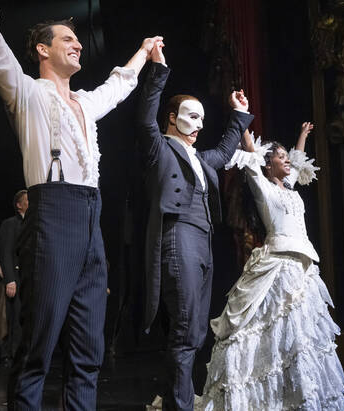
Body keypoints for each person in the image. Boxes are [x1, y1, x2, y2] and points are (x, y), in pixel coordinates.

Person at [0, 0, 161, 408]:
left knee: (88, 348)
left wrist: (142, 52)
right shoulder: (27, 94)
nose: (78, 43)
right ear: (44, 50)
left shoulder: (83, 104)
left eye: (78, 40)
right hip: (51, 216)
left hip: (90, 217)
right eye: (68, 39)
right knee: (39, 342)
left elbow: (118, 86)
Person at [198, 123, 344, 409]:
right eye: (279, 156)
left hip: (303, 267)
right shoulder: (263, 188)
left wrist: (302, 135)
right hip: (277, 265)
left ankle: (298, 398)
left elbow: (298, 160)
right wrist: (242, 122)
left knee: (300, 338)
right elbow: (253, 156)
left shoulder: (289, 186)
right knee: (271, 331)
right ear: (268, 165)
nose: (286, 159)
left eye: (285, 155)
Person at [137, 44, 254, 411]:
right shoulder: (161, 147)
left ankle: (172, 399)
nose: (199, 125)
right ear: (172, 118)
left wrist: (239, 115)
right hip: (178, 236)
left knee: (195, 330)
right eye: (191, 117)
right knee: (187, 327)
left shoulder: (201, 159)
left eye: (202, 118)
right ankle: (181, 405)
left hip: (202, 239)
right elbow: (144, 120)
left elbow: (222, 154)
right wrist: (157, 71)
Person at [0, 189, 27, 367]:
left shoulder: (34, 224)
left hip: (31, 278)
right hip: (16, 277)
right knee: (13, 317)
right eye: (27, 200)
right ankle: (12, 354)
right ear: (19, 205)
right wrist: (10, 279)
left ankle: (23, 353)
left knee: (26, 318)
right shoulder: (10, 224)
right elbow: (5, 253)